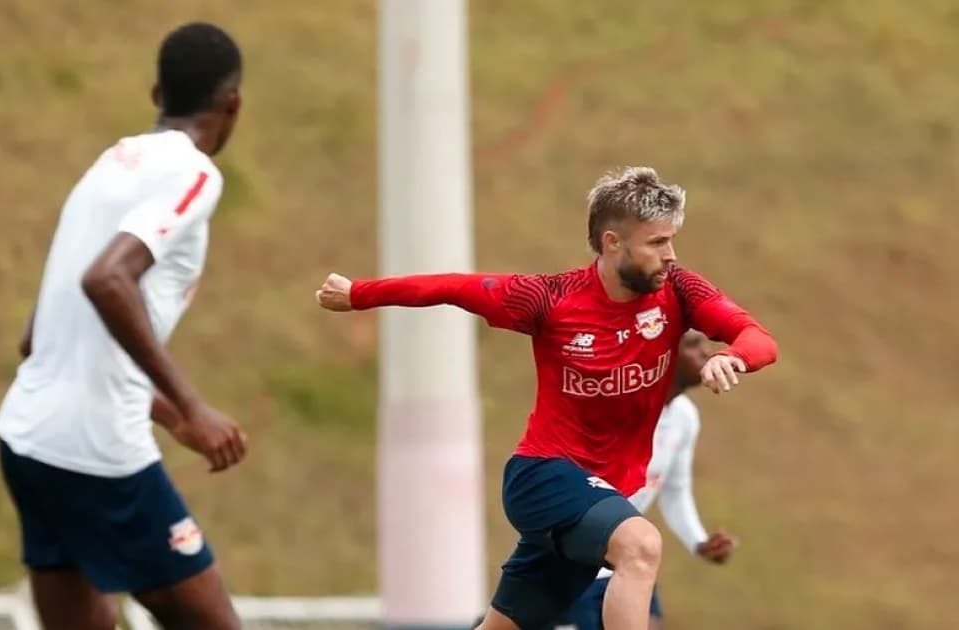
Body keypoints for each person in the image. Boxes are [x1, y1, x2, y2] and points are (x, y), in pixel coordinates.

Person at [315, 166, 777, 630]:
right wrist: (357, 294)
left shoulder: (679, 291)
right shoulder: (550, 298)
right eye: (657, 243)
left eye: (671, 241)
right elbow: (454, 287)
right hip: (544, 477)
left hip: (598, 496)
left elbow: (758, 338)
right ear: (613, 242)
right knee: (640, 546)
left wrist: (734, 358)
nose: (671, 255)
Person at [0, 22, 248, 630]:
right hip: (98, 449)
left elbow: (37, 339)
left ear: (157, 93)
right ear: (233, 103)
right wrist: (191, 407)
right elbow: (107, 281)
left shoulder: (110, 165)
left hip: (25, 437)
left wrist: (162, 411)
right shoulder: (194, 173)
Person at [558, 329, 738, 630]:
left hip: (629, 562)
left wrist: (699, 542)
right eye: (694, 345)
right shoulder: (614, 407)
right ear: (663, 356)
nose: (707, 353)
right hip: (578, 570)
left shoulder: (685, 417)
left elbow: (675, 491)